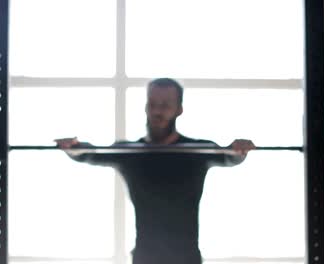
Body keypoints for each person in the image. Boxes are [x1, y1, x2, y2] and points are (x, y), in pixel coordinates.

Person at [55, 78, 255, 264]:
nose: (158, 110)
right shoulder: (130, 153)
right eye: (152, 103)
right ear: (145, 106)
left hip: (187, 259)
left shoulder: (197, 151)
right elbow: (91, 153)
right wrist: (74, 147)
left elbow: (228, 156)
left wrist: (238, 150)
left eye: (166, 105)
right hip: (145, 258)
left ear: (179, 109)